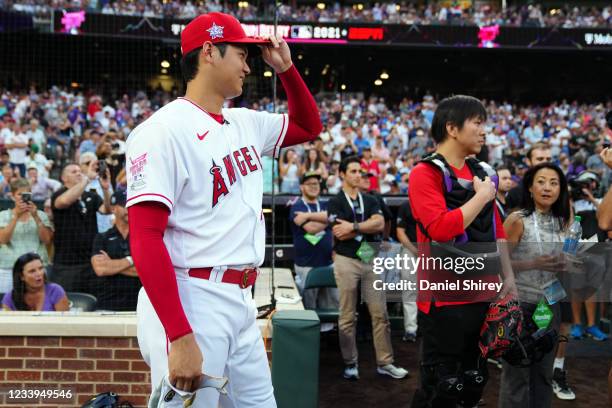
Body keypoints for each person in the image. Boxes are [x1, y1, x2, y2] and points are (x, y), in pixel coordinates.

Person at [126, 12, 322, 407]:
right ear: (210, 52)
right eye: (242, 55)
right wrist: (180, 335)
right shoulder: (160, 130)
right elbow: (145, 236)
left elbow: (308, 125)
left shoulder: (245, 122)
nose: (249, 66)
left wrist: (286, 69)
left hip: (240, 299)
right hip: (192, 295)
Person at [408, 95, 516, 408]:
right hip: (443, 300)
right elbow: (441, 228)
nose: (485, 131)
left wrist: (507, 277)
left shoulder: (484, 172)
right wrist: (482, 196)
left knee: (474, 382)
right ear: (452, 128)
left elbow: (497, 232)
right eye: (478, 123)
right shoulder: (424, 173)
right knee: (442, 387)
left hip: (483, 292)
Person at [327, 155, 408, 381]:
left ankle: (385, 362)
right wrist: (366, 228)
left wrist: (354, 227)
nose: (358, 175)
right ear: (342, 174)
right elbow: (337, 231)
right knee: (347, 316)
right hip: (345, 259)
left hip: (368, 257)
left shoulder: (370, 198)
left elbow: (380, 225)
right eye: (352, 171)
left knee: (380, 313)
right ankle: (350, 363)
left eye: (359, 171)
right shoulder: (335, 201)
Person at [500, 163, 573, 406]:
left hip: (549, 304)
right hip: (521, 303)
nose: (547, 188)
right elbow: (499, 264)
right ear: (530, 187)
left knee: (543, 372)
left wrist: (568, 262)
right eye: (541, 181)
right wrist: (533, 262)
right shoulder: (517, 219)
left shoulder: (561, 221)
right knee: (516, 372)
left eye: (554, 183)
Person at [51, 162, 111, 293]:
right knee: (68, 307)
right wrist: (87, 179)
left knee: (92, 304)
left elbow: (107, 209)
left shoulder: (91, 195)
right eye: (73, 171)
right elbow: (64, 202)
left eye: (79, 171)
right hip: (66, 265)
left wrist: (106, 189)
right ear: (63, 178)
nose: (78, 173)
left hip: (90, 262)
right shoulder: (58, 194)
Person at [289, 171, 337, 330]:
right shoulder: (296, 206)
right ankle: (310, 335)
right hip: (306, 265)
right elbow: (311, 229)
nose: (314, 187)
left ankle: (327, 339)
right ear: (302, 187)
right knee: (309, 305)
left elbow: (334, 217)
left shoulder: (326, 204)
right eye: (310, 184)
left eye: (316, 184)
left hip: (328, 263)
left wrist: (309, 216)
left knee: (330, 303)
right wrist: (328, 220)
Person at [0, 179, 53, 294]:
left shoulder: (41, 215)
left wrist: (36, 217)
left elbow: (47, 240)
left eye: (26, 194)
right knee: (6, 306)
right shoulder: (3, 215)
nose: (23, 197)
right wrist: (16, 217)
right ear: (12, 196)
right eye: (19, 194)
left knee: (38, 305)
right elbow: (3, 240)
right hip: (9, 269)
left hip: (37, 269)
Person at [90, 189, 141, 311]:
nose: (129, 209)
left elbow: (148, 270)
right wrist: (132, 260)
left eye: (132, 205)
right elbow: (101, 269)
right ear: (113, 209)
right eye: (124, 205)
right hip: (108, 304)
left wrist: (112, 265)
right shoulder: (102, 237)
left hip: (139, 305)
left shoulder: (143, 236)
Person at [1, 252, 69, 311]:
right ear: (22, 276)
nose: (39, 274)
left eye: (40, 268)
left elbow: (65, 323)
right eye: (32, 271)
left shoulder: (56, 291)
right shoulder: (9, 298)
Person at [395, 199, 418, 342]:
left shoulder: (435, 201)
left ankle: (433, 328)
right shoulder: (406, 205)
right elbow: (400, 231)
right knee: (410, 290)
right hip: (411, 250)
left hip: (434, 249)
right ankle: (411, 329)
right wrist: (415, 250)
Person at [505, 142, 552, 210]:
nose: (545, 162)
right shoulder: (516, 192)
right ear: (528, 161)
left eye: (548, 159)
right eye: (540, 159)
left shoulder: (558, 188)